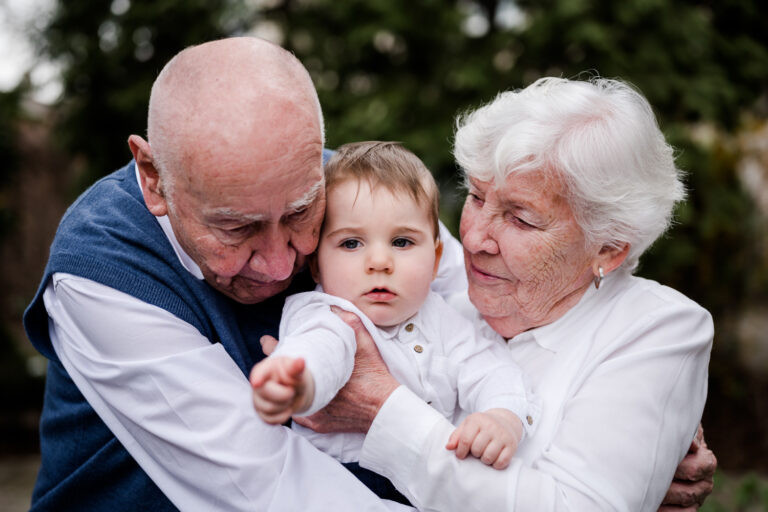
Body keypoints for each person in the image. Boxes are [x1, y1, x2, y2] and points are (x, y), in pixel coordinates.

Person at [22, 35, 715, 511]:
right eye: (235, 229)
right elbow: (266, 489)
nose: (281, 260)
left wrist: (630, 452)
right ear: (153, 178)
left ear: (314, 154)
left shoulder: (352, 192)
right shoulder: (101, 275)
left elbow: (465, 313)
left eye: (301, 211)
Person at [288, 77, 716, 511]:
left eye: (521, 219)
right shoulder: (442, 290)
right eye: (475, 196)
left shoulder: (659, 327)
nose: (473, 238)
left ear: (607, 247)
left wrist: (381, 409)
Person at [250, 142, 536, 501]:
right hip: (343, 485)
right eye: (352, 243)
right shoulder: (326, 315)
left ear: (434, 261)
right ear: (317, 263)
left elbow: (491, 368)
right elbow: (319, 351)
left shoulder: (443, 317)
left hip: (428, 483)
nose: (380, 261)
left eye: (401, 241)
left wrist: (503, 416)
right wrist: (296, 383)